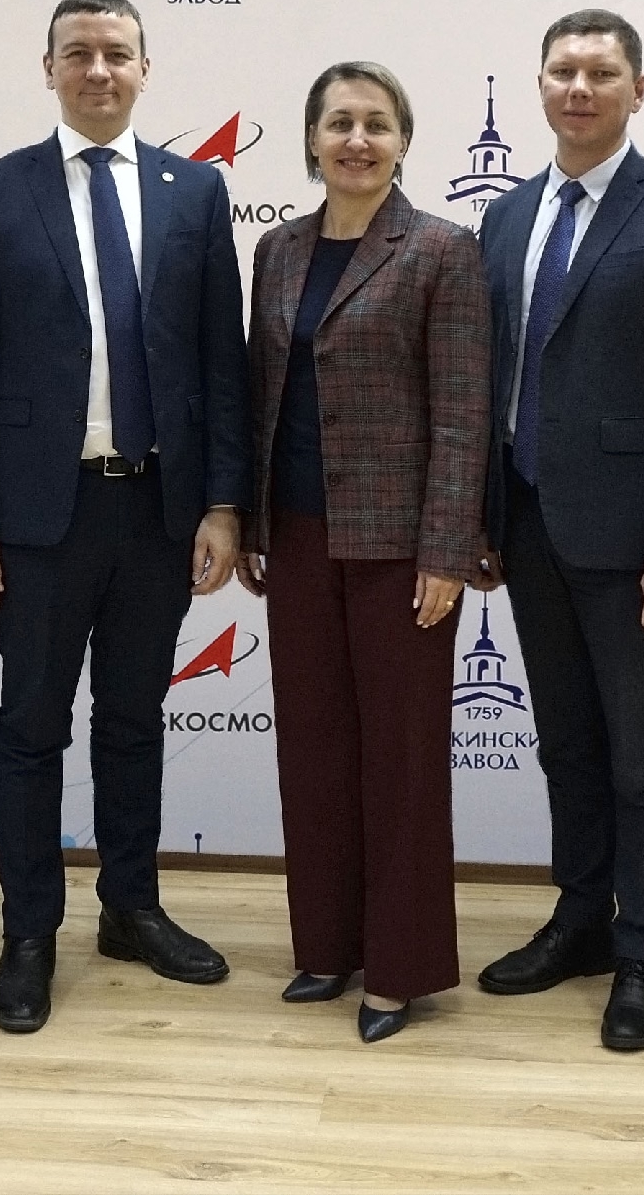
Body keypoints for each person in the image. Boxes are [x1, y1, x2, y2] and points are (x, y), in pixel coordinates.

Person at [0, 0, 252, 1035]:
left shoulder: (195, 190)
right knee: (31, 725)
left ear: (144, 69)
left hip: (157, 509)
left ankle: (131, 908)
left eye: (117, 52)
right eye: (78, 52)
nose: (99, 69)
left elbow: (220, 360)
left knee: (132, 720)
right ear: (50, 69)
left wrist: (222, 503)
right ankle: (29, 931)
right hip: (38, 513)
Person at [468, 8, 644, 1053]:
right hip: (528, 523)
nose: (579, 88)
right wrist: (483, 514)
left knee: (640, 757)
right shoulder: (505, 217)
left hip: (634, 545)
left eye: (601, 72)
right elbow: (494, 378)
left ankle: (640, 952)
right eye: (563, 70)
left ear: (638, 89)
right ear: (539, 84)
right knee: (568, 746)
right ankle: (580, 919)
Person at [237, 62, 490, 1044]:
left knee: (401, 760)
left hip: (400, 548)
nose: (356, 139)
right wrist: (252, 522)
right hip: (297, 536)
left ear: (402, 142)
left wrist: (446, 548)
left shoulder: (442, 250)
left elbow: (462, 414)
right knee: (313, 752)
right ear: (311, 139)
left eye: (376, 124)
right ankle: (328, 946)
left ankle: (399, 967)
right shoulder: (278, 249)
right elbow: (263, 394)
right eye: (338, 122)